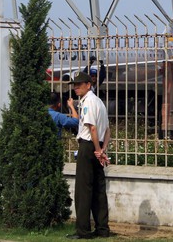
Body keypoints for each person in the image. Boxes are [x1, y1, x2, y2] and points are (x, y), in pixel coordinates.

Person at [67, 72, 111, 240]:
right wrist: (102, 150)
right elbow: (107, 130)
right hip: (97, 147)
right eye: (75, 85)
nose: (76, 88)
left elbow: (92, 128)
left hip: (88, 146)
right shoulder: (100, 102)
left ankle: (83, 231)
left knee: (83, 190)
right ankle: (102, 228)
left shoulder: (88, 102)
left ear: (88, 85)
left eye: (79, 85)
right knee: (99, 190)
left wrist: (97, 149)